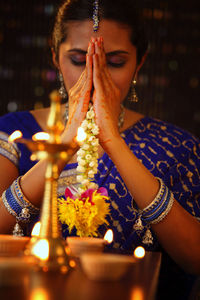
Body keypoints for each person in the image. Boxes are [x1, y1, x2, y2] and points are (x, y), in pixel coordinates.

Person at [0, 0, 199, 294]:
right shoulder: (14, 135)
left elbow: (195, 258)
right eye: (79, 60)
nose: (93, 76)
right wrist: (65, 140)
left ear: (139, 63)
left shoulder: (177, 147)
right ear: (55, 57)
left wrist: (114, 142)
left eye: (115, 62)